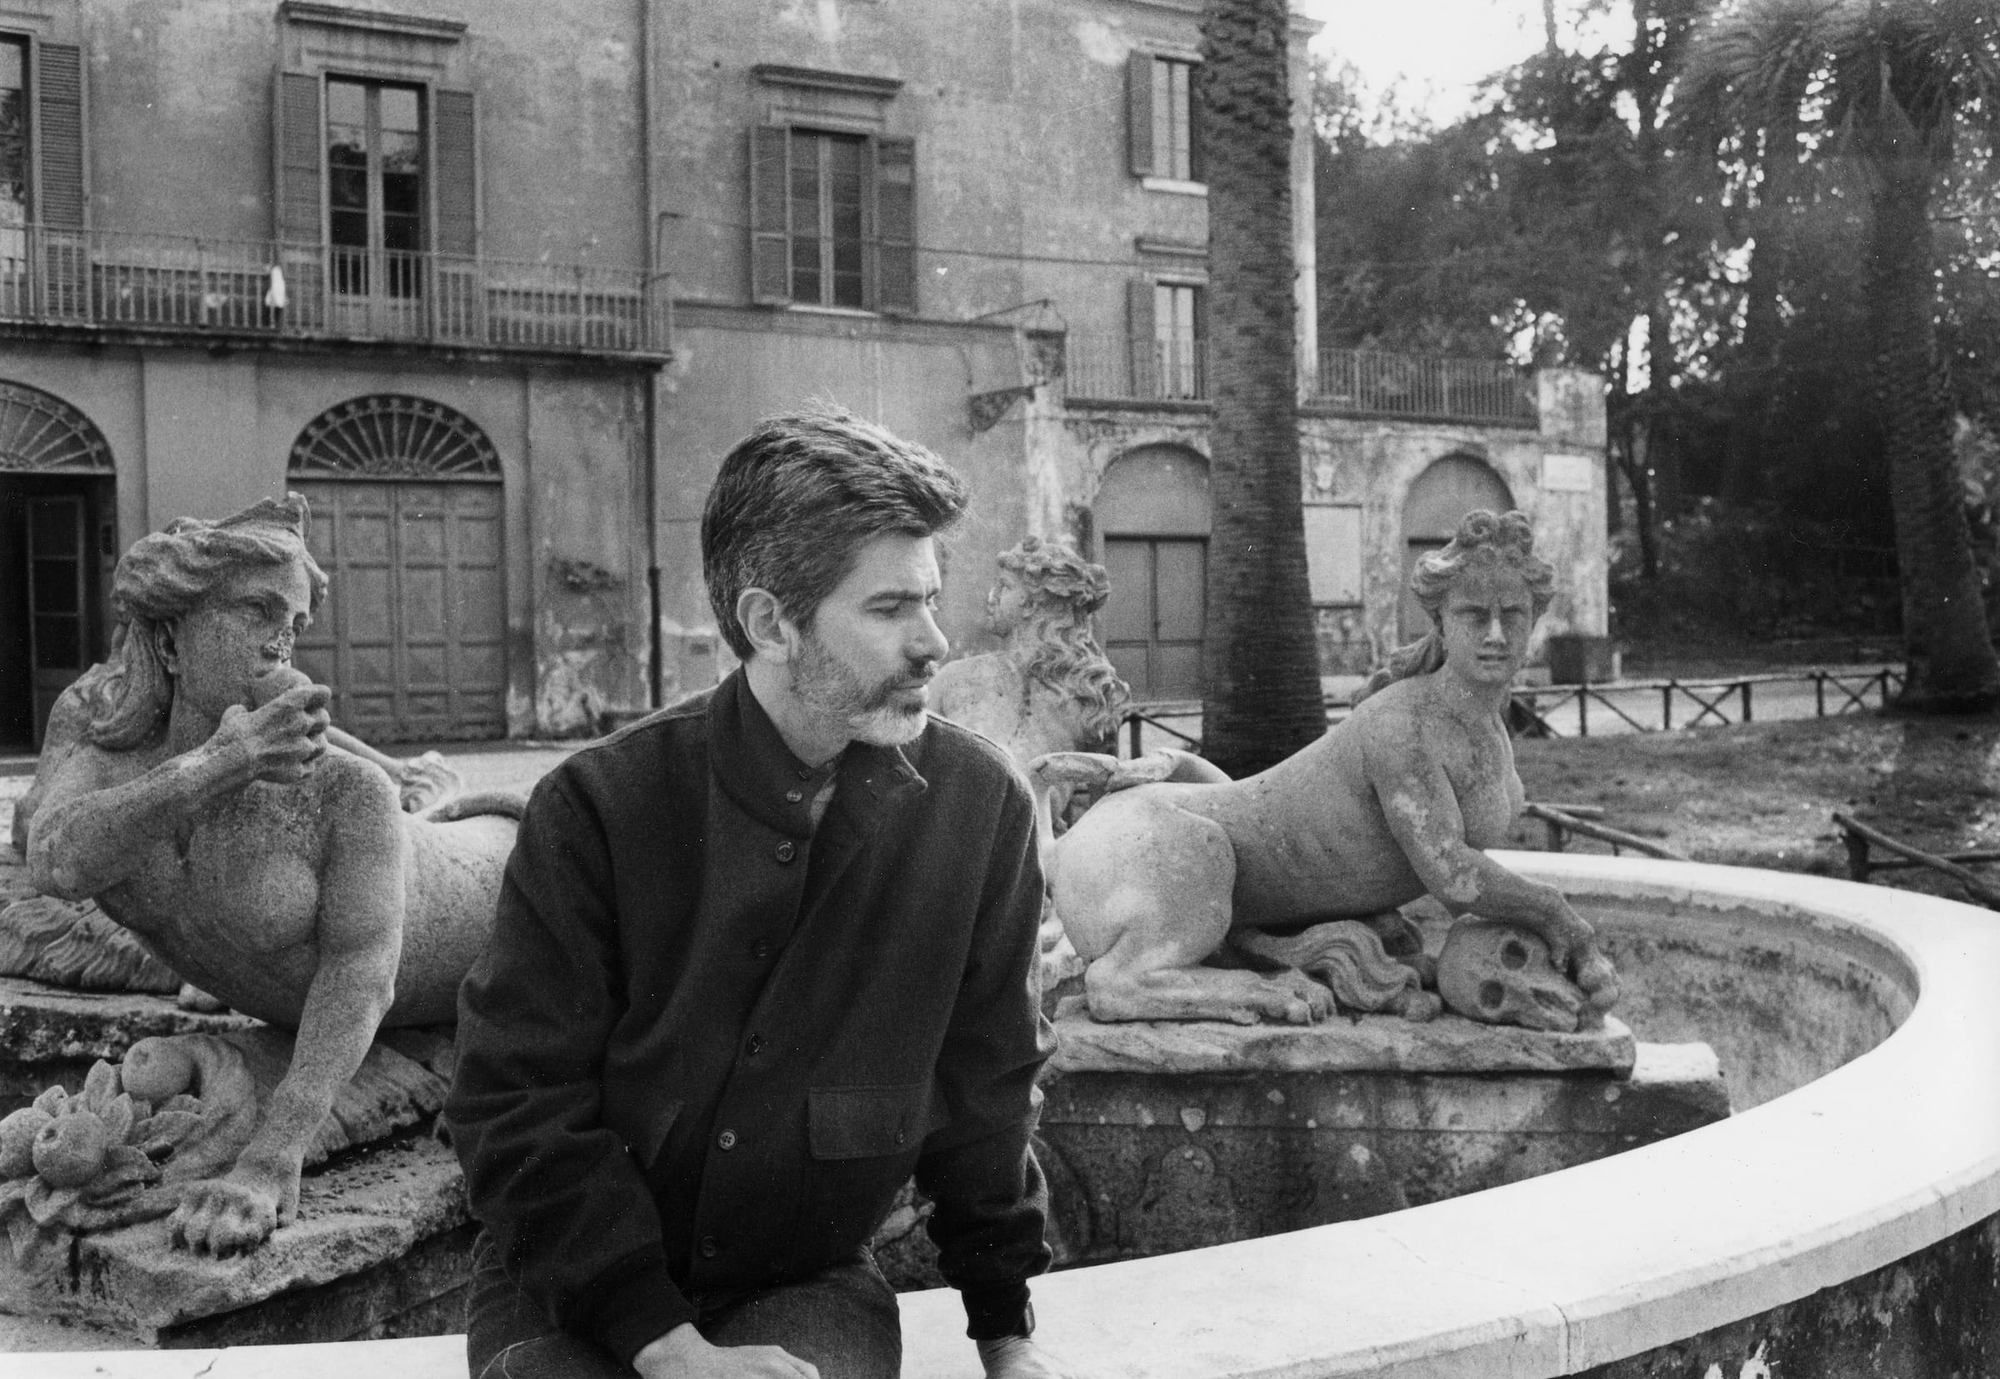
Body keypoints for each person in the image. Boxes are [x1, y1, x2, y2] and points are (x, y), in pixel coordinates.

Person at [446, 410, 1076, 1379]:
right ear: (769, 623)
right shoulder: (598, 804)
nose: (934, 642)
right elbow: (515, 1102)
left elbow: (988, 1087)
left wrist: (1008, 1337)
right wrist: (668, 1347)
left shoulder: (980, 808)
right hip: (569, 1285)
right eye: (888, 609)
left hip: (803, 1277)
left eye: (930, 599)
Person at [23, 495, 517, 1253]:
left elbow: (363, 978)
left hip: (506, 891)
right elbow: (55, 860)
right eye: (257, 611)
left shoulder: (342, 793)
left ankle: (453, 801)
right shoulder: (105, 756)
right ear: (170, 640)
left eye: (293, 622)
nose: (280, 641)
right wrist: (222, 766)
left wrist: (271, 1157)